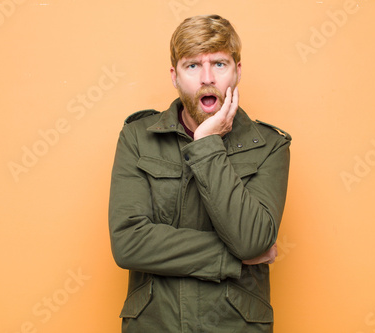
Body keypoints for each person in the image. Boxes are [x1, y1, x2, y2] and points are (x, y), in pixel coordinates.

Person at [109, 14, 291, 332]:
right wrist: (232, 259)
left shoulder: (270, 146)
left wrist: (206, 143)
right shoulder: (137, 137)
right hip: (154, 325)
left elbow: (251, 242)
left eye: (219, 64)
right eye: (192, 66)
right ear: (174, 76)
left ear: (237, 71)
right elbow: (128, 243)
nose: (207, 77)